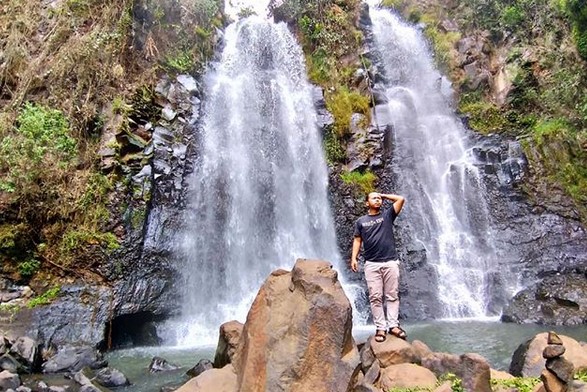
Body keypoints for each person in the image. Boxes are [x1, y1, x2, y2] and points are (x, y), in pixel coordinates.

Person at [351, 191, 406, 342]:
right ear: (367, 203)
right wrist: (353, 258)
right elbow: (357, 240)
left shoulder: (387, 216)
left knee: (392, 295)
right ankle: (380, 328)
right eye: (373, 198)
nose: (377, 200)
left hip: (390, 261)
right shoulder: (361, 221)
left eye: (378, 198)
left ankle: (393, 325)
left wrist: (383, 195)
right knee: (375, 297)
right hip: (371, 264)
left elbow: (400, 199)